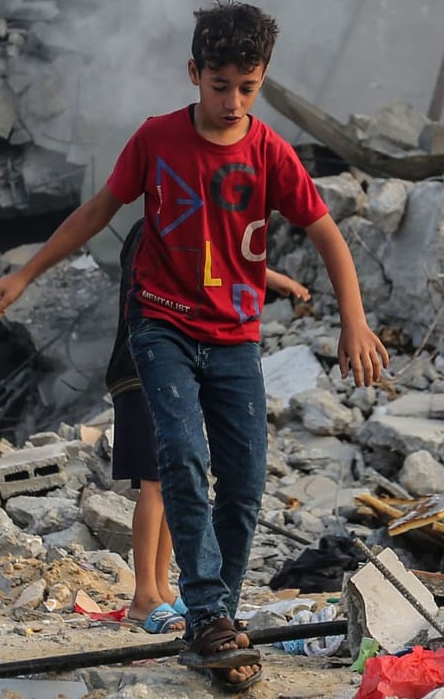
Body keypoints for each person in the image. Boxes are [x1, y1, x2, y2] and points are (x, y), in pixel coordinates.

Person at [0, 0, 388, 692]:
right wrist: (24, 273)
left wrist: (354, 317)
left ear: (262, 81)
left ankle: (215, 614)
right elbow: (97, 211)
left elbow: (327, 235)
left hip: (234, 340)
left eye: (248, 88)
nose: (232, 102)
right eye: (220, 84)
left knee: (248, 481)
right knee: (182, 461)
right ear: (194, 73)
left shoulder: (270, 155)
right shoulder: (157, 140)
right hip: (161, 327)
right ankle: (203, 611)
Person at [106, 217, 308, 635]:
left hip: (161, 369)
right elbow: (214, 262)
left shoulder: (166, 228)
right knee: (155, 483)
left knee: (170, 479)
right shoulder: (157, 231)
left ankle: (161, 588)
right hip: (144, 369)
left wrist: (275, 280)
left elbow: (218, 258)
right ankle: (145, 594)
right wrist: (274, 280)